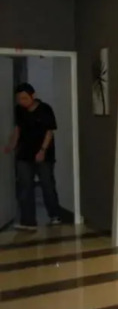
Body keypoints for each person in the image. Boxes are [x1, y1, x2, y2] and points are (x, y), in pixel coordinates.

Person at [3, 83, 62, 230]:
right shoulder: (19, 110)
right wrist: (11, 145)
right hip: (24, 154)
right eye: (19, 99)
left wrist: (42, 150)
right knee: (25, 187)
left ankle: (54, 215)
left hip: (43, 154)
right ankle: (28, 220)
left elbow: (49, 131)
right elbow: (18, 129)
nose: (22, 101)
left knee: (47, 185)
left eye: (24, 98)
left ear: (32, 96)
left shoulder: (45, 109)